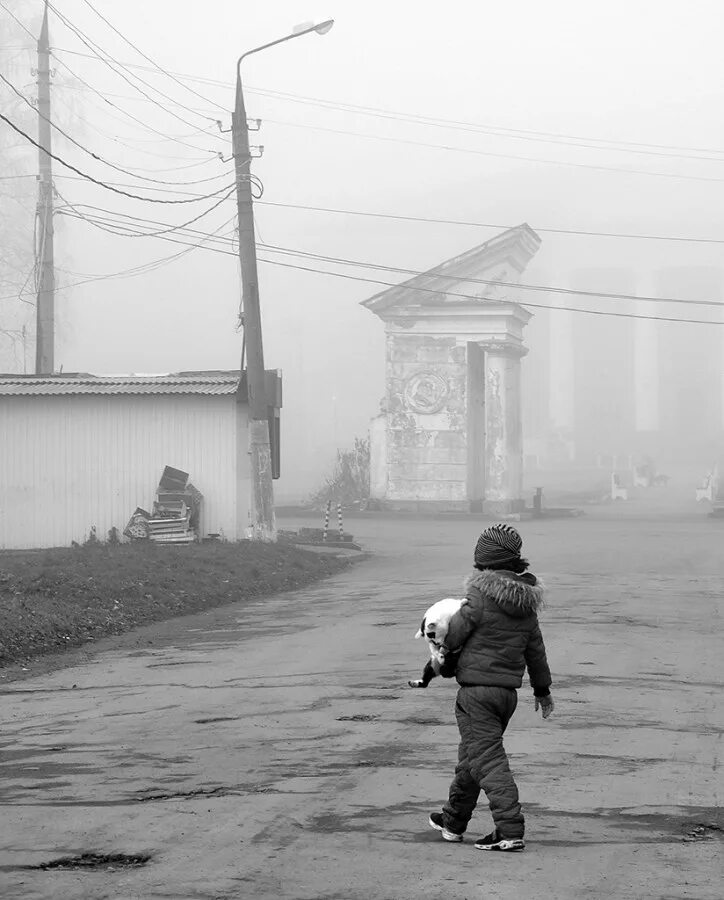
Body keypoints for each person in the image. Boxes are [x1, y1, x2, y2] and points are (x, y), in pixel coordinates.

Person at [428, 523, 553, 852]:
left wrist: (444, 627)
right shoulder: (526, 604)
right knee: (473, 758)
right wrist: (543, 691)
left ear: (483, 562)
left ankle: (509, 829)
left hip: (477, 694)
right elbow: (535, 651)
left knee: (489, 761)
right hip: (506, 696)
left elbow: (453, 636)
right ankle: (453, 822)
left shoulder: (479, 596)